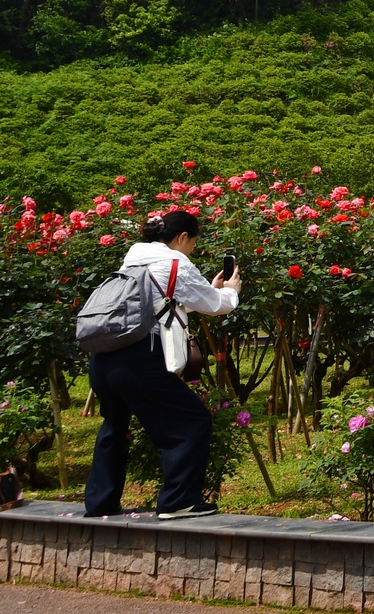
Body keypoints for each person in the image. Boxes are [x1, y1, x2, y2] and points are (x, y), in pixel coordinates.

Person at [84, 209, 241, 520]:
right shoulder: (175, 264)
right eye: (193, 242)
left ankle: (100, 502)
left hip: (103, 358)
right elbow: (214, 305)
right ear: (181, 238)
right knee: (190, 421)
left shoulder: (130, 262)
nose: (193, 249)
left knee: (115, 427)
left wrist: (209, 290)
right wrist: (230, 293)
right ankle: (178, 501)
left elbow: (162, 307)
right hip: (139, 358)